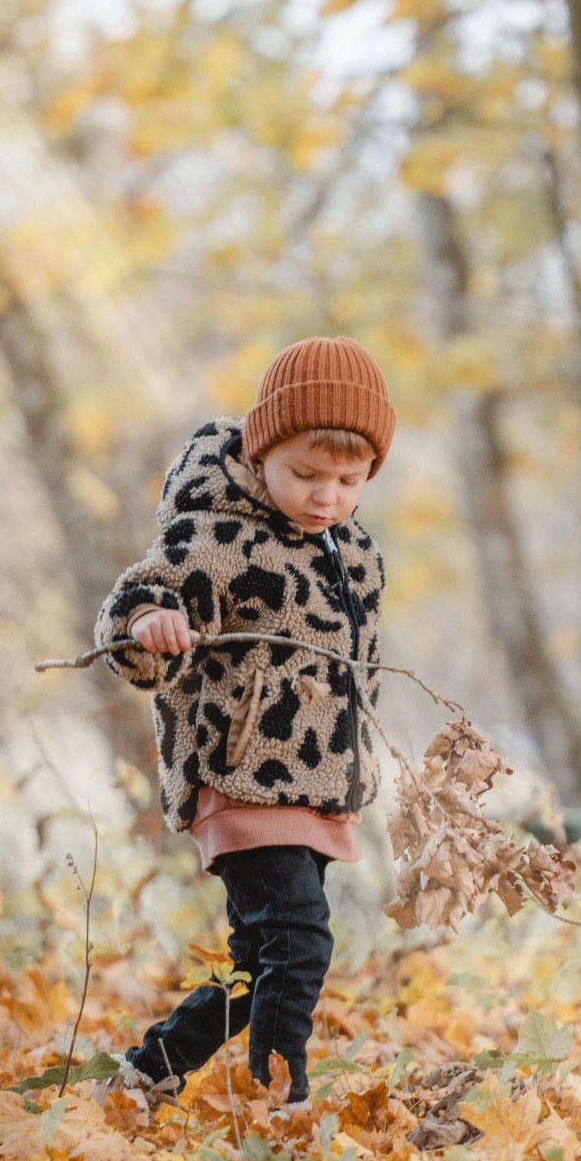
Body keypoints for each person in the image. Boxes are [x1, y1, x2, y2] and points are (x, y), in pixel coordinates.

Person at [93, 336, 395, 1111]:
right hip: (241, 773)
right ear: (262, 453)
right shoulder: (216, 534)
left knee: (259, 960)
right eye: (305, 474)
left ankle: (149, 1070)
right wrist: (152, 624)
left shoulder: (355, 557)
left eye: (348, 480)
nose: (326, 496)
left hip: (317, 790)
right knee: (300, 942)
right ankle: (280, 1100)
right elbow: (136, 604)